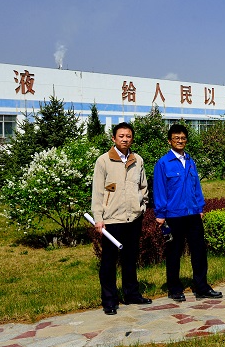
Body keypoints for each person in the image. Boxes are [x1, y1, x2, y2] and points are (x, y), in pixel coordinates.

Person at [153, 124, 222, 303]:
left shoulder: (190, 161)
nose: (180, 141)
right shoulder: (163, 163)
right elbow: (159, 189)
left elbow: (196, 186)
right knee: (174, 253)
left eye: (183, 138)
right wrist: (160, 213)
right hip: (173, 215)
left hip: (192, 213)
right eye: (176, 138)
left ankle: (202, 287)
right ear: (169, 141)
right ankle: (174, 289)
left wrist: (200, 207)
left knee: (199, 251)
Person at [91, 122, 151, 315]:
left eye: (128, 136)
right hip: (112, 219)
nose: (125, 139)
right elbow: (98, 192)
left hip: (133, 218)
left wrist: (142, 206)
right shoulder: (103, 161)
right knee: (109, 262)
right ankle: (109, 300)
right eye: (121, 136)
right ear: (114, 138)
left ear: (132, 138)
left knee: (130, 258)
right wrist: (98, 218)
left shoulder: (137, 160)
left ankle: (131, 294)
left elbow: (143, 186)